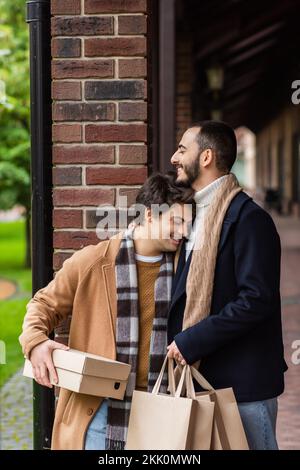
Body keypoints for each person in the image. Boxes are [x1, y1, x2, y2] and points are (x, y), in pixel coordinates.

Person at [19, 173, 194, 450]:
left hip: (163, 407)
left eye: (188, 224)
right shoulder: (93, 260)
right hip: (98, 411)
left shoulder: (185, 269)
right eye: (176, 221)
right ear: (149, 216)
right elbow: (43, 305)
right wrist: (36, 343)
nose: (183, 232)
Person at [167, 120, 287, 450]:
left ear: (206, 157)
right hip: (204, 379)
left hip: (243, 387)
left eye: (181, 149)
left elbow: (256, 300)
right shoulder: (195, 215)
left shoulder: (250, 219)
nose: (174, 158)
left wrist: (191, 341)